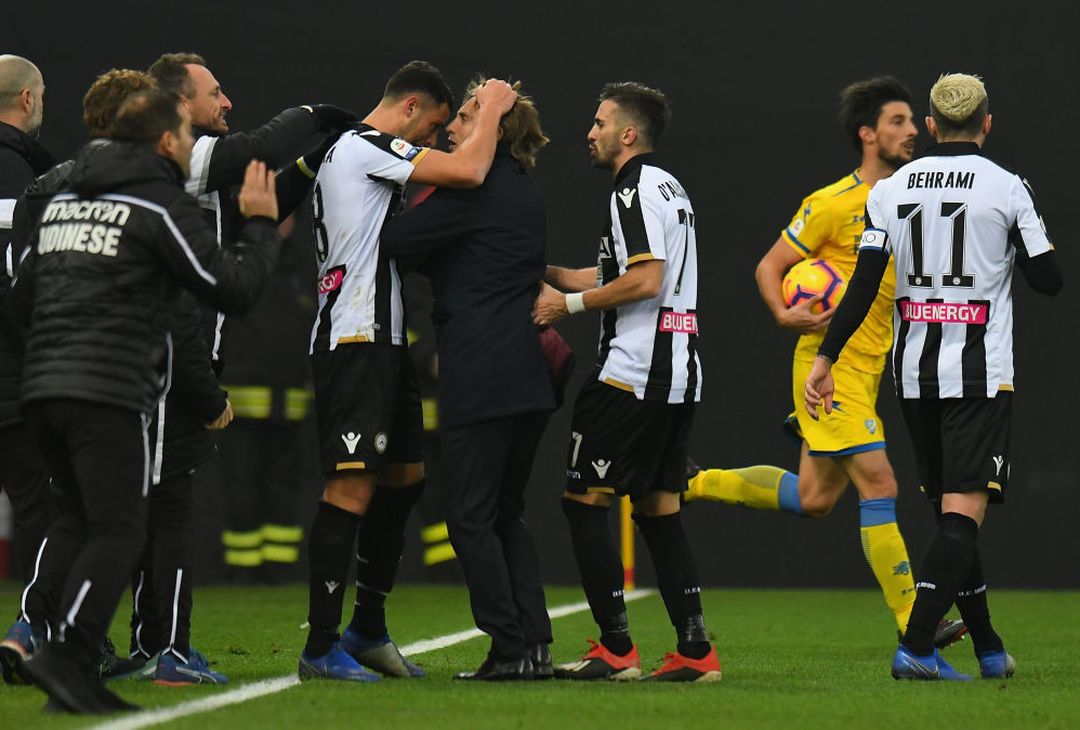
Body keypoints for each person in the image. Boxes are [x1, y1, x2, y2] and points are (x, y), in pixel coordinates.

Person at [11, 89, 282, 714]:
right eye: (186, 136)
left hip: (41, 390)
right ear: (165, 142)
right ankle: (68, 653)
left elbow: (19, 298)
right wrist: (261, 224)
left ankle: (67, 676)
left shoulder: (62, 200)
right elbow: (229, 287)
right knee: (123, 526)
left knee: (79, 519)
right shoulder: (157, 202)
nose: (192, 147)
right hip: (105, 391)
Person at [685, 77, 961, 647]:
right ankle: (916, 625)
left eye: (914, 123)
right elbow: (769, 267)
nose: (912, 132)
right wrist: (783, 316)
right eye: (898, 122)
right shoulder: (832, 204)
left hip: (872, 368)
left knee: (814, 499)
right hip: (827, 369)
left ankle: (691, 482)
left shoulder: (914, 196)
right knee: (880, 483)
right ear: (867, 134)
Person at [805, 73, 1062, 680]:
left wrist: (825, 357)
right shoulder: (1006, 187)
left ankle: (989, 648)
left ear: (929, 125)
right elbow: (1049, 279)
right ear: (986, 124)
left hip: (914, 376)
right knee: (962, 516)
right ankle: (917, 644)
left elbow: (864, 283)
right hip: (979, 376)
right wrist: (1009, 253)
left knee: (952, 514)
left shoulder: (891, 192)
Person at [298, 60, 517, 682]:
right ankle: (320, 646)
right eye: (437, 124)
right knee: (351, 486)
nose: (433, 138)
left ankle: (368, 629)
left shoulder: (367, 157)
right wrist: (494, 110)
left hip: (385, 339)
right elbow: (470, 170)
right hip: (354, 338)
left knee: (406, 479)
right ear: (413, 106)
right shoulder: (364, 146)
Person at [534, 82, 720, 682]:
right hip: (678, 375)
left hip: (631, 375)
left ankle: (615, 648)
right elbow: (621, 270)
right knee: (660, 509)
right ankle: (696, 651)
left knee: (581, 500)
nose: (590, 132)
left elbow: (644, 281)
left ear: (628, 134)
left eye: (599, 122)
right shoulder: (670, 187)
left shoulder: (632, 189)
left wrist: (570, 306)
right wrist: (553, 275)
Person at [380, 78, 555, 680]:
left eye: (465, 118)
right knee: (506, 512)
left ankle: (507, 648)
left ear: (491, 130)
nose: (449, 129)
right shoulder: (522, 190)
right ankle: (534, 643)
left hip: (482, 373)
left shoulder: (472, 192)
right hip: (526, 375)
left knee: (470, 518)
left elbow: (396, 241)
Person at [0, 68, 162, 687]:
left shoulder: (46, 181)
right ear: (28, 99)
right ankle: (46, 639)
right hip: (39, 375)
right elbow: (20, 288)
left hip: (33, 376)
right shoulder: (46, 183)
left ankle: (47, 636)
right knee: (67, 513)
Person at [0, 54, 57, 587]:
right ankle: (44, 635)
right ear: (27, 99)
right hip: (13, 376)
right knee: (47, 510)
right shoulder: (17, 174)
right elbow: (14, 279)